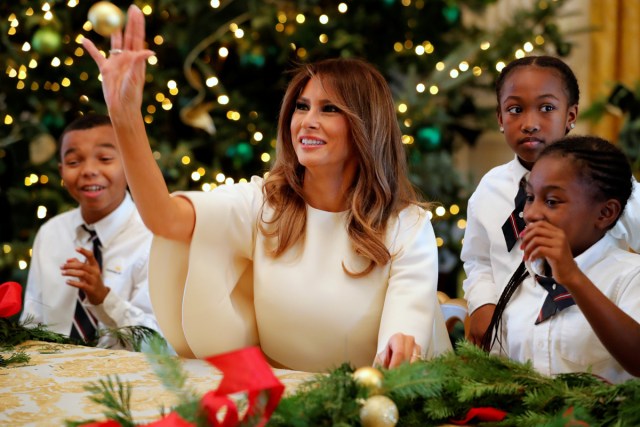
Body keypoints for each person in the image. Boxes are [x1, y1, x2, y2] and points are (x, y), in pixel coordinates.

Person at [82, 5, 451, 372]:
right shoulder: (264, 203)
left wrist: (401, 345)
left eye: (329, 109)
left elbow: (401, 350)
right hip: (270, 399)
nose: (307, 121)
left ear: (366, 126)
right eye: (302, 106)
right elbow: (164, 219)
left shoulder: (406, 226)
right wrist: (126, 117)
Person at [461, 56, 640, 345]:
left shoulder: (605, 185)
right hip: (510, 343)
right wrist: (482, 304)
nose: (530, 124)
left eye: (546, 108)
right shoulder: (489, 189)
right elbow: (478, 259)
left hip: (586, 342)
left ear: (570, 116)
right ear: (500, 118)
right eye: (515, 110)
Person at [480, 136, 640, 383]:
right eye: (530, 197)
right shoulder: (521, 284)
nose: (531, 214)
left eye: (552, 201)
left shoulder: (631, 276)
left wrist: (572, 277)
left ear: (605, 213)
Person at [20, 114, 160, 349]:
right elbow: (32, 323)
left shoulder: (152, 237)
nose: (89, 170)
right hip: (53, 376)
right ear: (61, 170)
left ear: (129, 163)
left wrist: (102, 298)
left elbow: (158, 345)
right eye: (74, 162)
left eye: (105, 158)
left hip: (126, 380)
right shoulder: (51, 233)